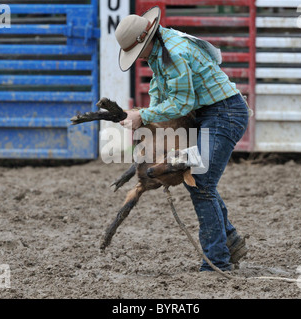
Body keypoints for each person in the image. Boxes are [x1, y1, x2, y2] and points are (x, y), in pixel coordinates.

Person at [115, 6, 249, 272]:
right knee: (200, 181)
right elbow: (160, 93)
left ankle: (216, 263)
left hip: (224, 113)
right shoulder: (161, 47)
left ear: (143, 41)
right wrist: (147, 116)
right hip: (209, 113)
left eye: (135, 52)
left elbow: (180, 102)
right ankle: (229, 240)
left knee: (201, 181)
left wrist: (143, 116)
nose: (137, 58)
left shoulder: (174, 52)